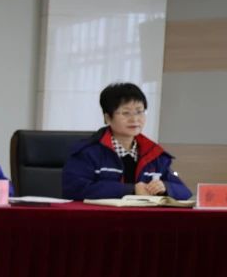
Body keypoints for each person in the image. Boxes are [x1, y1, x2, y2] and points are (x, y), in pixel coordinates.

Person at [62, 82, 191, 200]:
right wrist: (131, 190)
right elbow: (74, 190)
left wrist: (165, 187)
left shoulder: (154, 155)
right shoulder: (88, 152)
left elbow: (185, 192)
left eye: (139, 112)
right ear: (108, 118)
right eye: (126, 113)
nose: (134, 119)